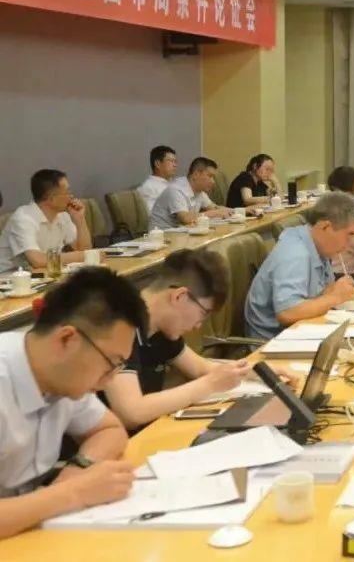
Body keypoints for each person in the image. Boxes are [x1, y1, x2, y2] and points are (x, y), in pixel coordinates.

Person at [0, 267, 148, 539]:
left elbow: (110, 430)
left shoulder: (61, 377)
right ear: (67, 339)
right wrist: (74, 492)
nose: (109, 380)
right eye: (111, 363)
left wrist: (78, 471)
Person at [101, 249, 251, 432]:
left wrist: (262, 371)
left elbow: (200, 368)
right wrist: (210, 384)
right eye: (203, 314)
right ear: (179, 296)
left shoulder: (162, 327)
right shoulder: (118, 323)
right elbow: (132, 412)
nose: (198, 326)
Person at [245, 192, 354, 339]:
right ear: (326, 227)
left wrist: (332, 291)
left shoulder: (320, 247)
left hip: (302, 331)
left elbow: (317, 295)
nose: (349, 243)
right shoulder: (295, 253)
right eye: (350, 234)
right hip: (273, 341)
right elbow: (287, 312)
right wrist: (334, 297)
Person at [0, 169, 93, 273]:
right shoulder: (24, 218)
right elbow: (37, 260)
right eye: (67, 192)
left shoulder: (62, 215)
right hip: (7, 275)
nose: (71, 197)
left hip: (40, 273)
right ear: (51, 198)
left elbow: (84, 249)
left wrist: (80, 220)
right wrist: (79, 256)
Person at [148, 157, 231, 230]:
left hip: (180, 233)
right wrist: (215, 213)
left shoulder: (200, 191)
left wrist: (235, 211)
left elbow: (214, 207)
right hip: (162, 235)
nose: (213, 181)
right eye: (210, 176)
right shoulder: (176, 189)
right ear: (196, 174)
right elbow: (186, 218)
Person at [137, 145, 178, 212]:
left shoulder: (173, 183)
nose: (175, 165)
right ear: (157, 164)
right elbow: (153, 216)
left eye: (175, 161)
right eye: (171, 161)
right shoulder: (148, 188)